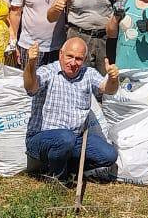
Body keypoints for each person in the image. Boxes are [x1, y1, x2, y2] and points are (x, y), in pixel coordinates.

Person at [23, 36, 120, 182]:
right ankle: (58, 179)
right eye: (69, 56)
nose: (73, 63)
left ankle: (67, 166)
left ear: (84, 59)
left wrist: (113, 79)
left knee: (109, 154)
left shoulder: (88, 74)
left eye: (79, 59)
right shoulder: (49, 72)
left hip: (73, 140)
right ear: (61, 54)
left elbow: (108, 89)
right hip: (42, 140)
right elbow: (31, 87)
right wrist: (31, 63)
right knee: (64, 138)